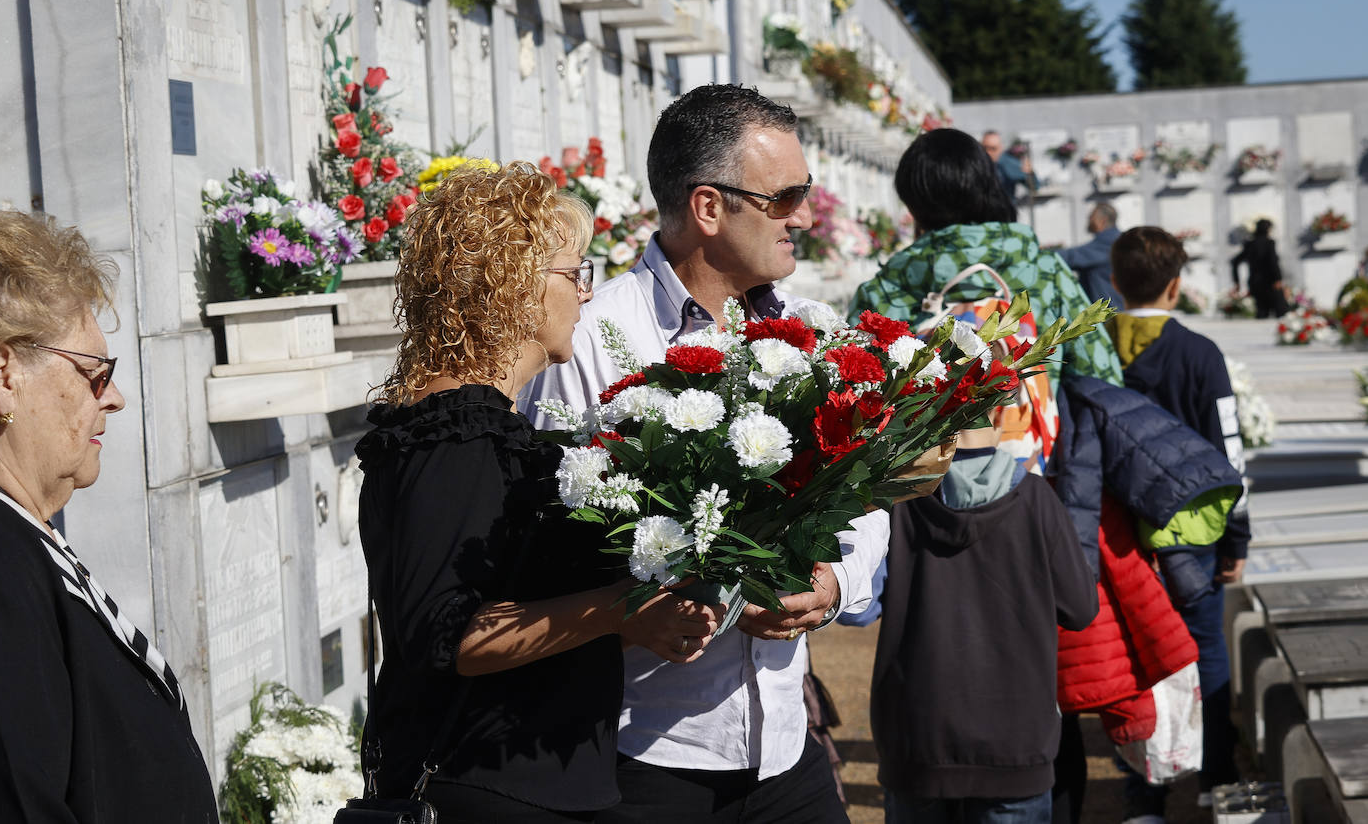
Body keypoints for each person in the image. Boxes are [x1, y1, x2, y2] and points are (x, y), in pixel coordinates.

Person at [520, 84, 890, 824]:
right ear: (709, 207)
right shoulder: (591, 339)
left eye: (805, 193)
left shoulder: (815, 331)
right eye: (783, 197)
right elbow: (546, 532)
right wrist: (655, 603)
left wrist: (833, 585)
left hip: (788, 744)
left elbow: (867, 492)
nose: (804, 216)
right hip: (648, 752)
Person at [355, 164, 720, 822]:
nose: (585, 295)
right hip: (490, 795)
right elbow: (453, 638)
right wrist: (619, 610)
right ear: (516, 286)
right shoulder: (456, 438)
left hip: (536, 787)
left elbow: (526, 608)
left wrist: (647, 615)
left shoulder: (481, 429)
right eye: (573, 273)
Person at [0, 209, 218, 821]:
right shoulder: (0, 570)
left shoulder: (23, 535)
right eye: (95, 374)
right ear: (4, 375)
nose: (114, 397)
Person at [873, 404, 1098, 824]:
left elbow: (857, 609)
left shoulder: (899, 500)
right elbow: (1082, 608)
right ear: (1000, 416)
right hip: (1015, 739)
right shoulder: (1037, 501)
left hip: (917, 735)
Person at [1107, 226, 1250, 820]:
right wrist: (1237, 534)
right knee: (1205, 650)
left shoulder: (1095, 348)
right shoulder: (1200, 353)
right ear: (1176, 285)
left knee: (1133, 657)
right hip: (1190, 535)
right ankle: (1217, 777)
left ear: (1113, 283)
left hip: (1117, 538)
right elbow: (1230, 450)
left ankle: (1145, 795)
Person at [851, 128, 1123, 389]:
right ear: (987, 185)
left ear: (912, 203)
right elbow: (1100, 373)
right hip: (1030, 433)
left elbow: (852, 390)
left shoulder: (884, 290)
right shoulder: (1045, 270)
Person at [1058, 203, 1124, 309]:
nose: (1089, 221)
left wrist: (1039, 252)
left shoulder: (1106, 243)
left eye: (1091, 217)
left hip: (1109, 315)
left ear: (1102, 221)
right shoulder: (1122, 240)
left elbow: (1070, 257)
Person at [1230, 218, 1290, 318]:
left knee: (1261, 313)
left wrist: (1237, 282)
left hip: (1255, 283)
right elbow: (1273, 262)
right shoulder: (1269, 243)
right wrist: (1278, 279)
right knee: (1281, 313)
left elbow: (1235, 262)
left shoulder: (1249, 244)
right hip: (1270, 284)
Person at [981, 129, 1035, 200]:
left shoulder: (1009, 163)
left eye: (993, 148)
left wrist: (1030, 173)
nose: (988, 152)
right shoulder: (977, 164)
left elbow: (1033, 186)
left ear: (1001, 148)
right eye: (985, 148)